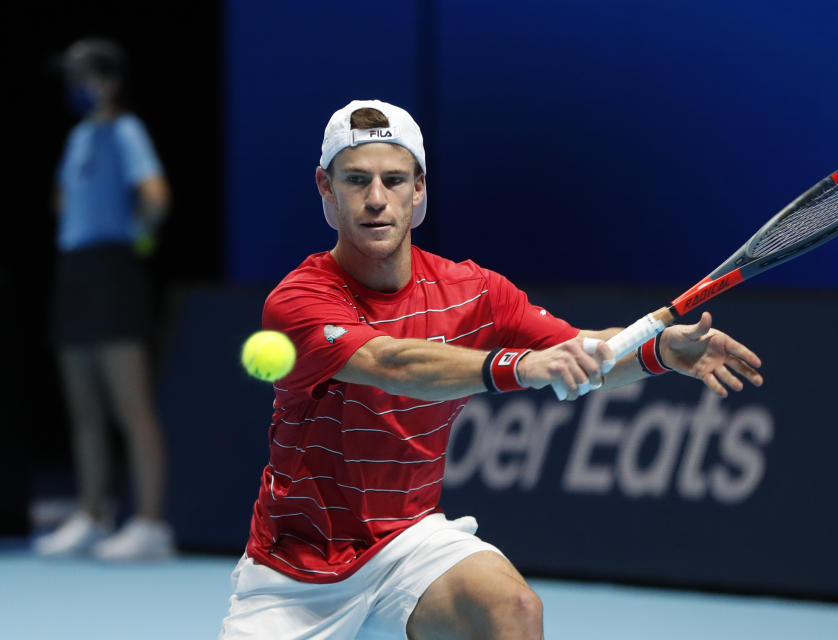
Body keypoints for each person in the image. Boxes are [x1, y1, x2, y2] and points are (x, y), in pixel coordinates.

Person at [219, 100, 763, 639]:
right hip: (295, 572)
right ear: (326, 187)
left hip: (408, 543)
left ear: (420, 188)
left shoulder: (474, 290)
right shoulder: (299, 299)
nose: (377, 200)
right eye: (357, 180)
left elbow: (579, 350)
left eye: (395, 179)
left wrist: (661, 350)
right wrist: (518, 367)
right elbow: (391, 360)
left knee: (512, 608)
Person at [33, 37, 175, 561]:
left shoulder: (126, 131)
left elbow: (156, 197)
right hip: (75, 272)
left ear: (109, 82)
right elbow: (63, 200)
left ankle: (150, 524)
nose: (76, 89)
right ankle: (93, 514)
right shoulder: (78, 137)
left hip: (112, 269)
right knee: (83, 404)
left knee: (129, 404)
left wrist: (137, 234)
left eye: (84, 78)